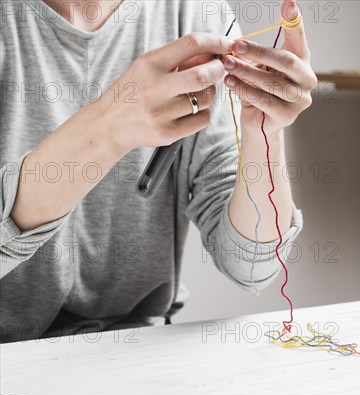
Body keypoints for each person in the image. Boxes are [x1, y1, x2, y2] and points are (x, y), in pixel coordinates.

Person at [0, 0, 316, 343]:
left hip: (135, 351)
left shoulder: (194, 11)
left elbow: (251, 266)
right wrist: (109, 129)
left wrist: (263, 134)